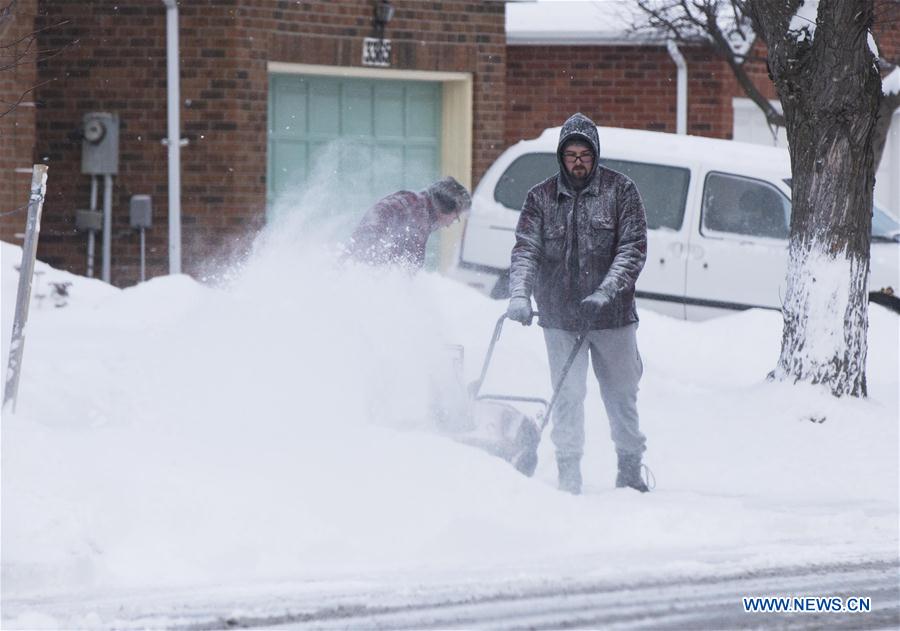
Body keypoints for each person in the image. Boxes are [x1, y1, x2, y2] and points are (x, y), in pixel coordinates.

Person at [506, 112, 651, 495]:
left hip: (613, 318)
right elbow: (526, 250)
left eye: (584, 155)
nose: (578, 162)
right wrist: (519, 295)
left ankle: (630, 467)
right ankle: (569, 471)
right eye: (570, 155)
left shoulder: (621, 192)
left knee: (621, 393)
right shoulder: (540, 198)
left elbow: (633, 249)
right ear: (560, 157)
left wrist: (604, 293)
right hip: (559, 317)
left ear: (596, 155)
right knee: (567, 395)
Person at [346, 176, 471, 270]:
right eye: (455, 218)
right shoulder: (419, 216)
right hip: (366, 263)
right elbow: (410, 266)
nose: (449, 225)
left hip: (358, 259)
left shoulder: (415, 201)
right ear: (445, 207)